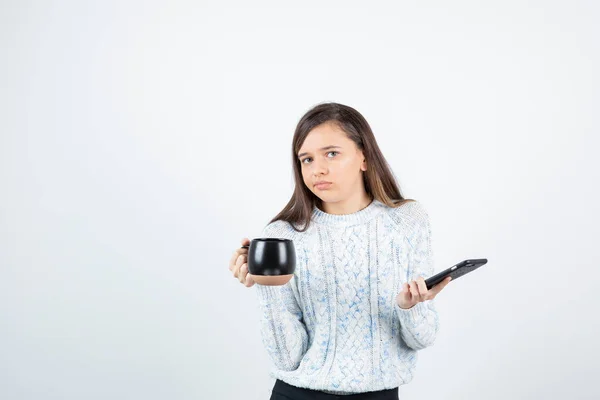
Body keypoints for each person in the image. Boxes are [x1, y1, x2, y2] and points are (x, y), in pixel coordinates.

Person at [228, 102, 452, 400]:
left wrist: (409, 307)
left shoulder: (407, 221)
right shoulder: (281, 235)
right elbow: (287, 359)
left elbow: (422, 338)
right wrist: (267, 288)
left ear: (364, 156)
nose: (317, 169)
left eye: (331, 154)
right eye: (306, 159)